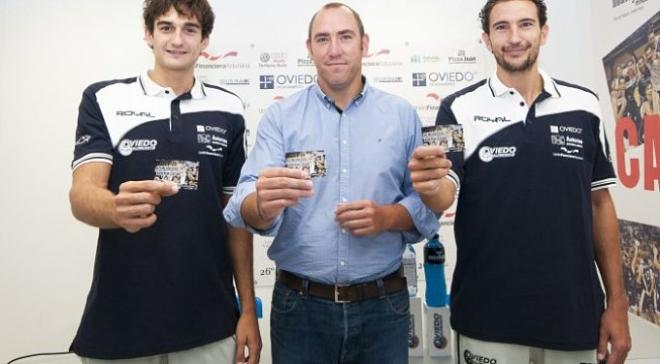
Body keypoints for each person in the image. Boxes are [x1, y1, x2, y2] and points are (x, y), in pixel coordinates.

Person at [409, 1, 632, 363]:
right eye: (501, 28)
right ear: (486, 38)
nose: (514, 38)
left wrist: (618, 303)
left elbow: (600, 204)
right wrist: (430, 187)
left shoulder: (585, 105)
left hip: (574, 318)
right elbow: (443, 192)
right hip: (487, 318)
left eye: (525, 25)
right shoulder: (456, 108)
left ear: (543, 32)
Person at [223, 2, 438, 363]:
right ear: (309, 48)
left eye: (345, 37)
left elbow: (427, 203)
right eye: (322, 39)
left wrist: (387, 217)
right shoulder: (280, 118)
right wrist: (261, 204)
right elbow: (241, 203)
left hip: (383, 309)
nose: (334, 49)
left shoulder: (401, 116)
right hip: (300, 311)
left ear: (364, 44)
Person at [68, 0, 261, 362]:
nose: (177, 39)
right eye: (166, 27)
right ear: (148, 34)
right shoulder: (104, 99)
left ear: (205, 41)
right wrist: (114, 209)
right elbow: (82, 195)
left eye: (189, 29)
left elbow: (236, 217)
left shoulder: (230, 108)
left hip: (209, 322)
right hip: (121, 321)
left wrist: (247, 309)